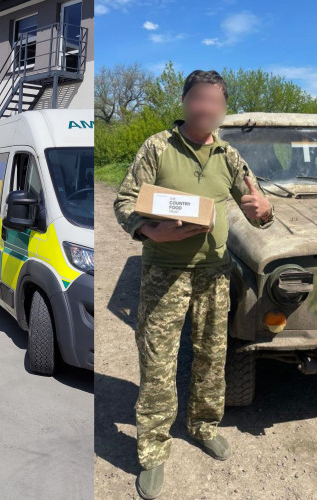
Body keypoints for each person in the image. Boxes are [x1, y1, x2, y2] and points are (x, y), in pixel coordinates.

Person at [113, 70, 273, 499]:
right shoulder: (158, 147)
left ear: (222, 109)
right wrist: (147, 231)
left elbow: (255, 209)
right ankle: (152, 450)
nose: (206, 108)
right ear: (185, 102)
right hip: (165, 271)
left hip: (214, 273)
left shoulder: (228, 154)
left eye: (215, 102)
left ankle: (202, 426)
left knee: (211, 357)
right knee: (158, 363)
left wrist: (265, 210)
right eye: (198, 99)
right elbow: (125, 200)